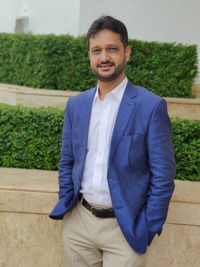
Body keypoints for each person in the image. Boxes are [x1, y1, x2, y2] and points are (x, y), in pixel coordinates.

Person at [50, 16, 176, 267]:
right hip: (80, 225)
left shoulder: (150, 106)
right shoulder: (76, 105)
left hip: (125, 230)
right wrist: (68, 205)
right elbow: (67, 161)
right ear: (89, 56)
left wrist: (148, 226)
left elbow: (163, 175)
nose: (104, 57)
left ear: (126, 53)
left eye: (112, 49)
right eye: (97, 50)